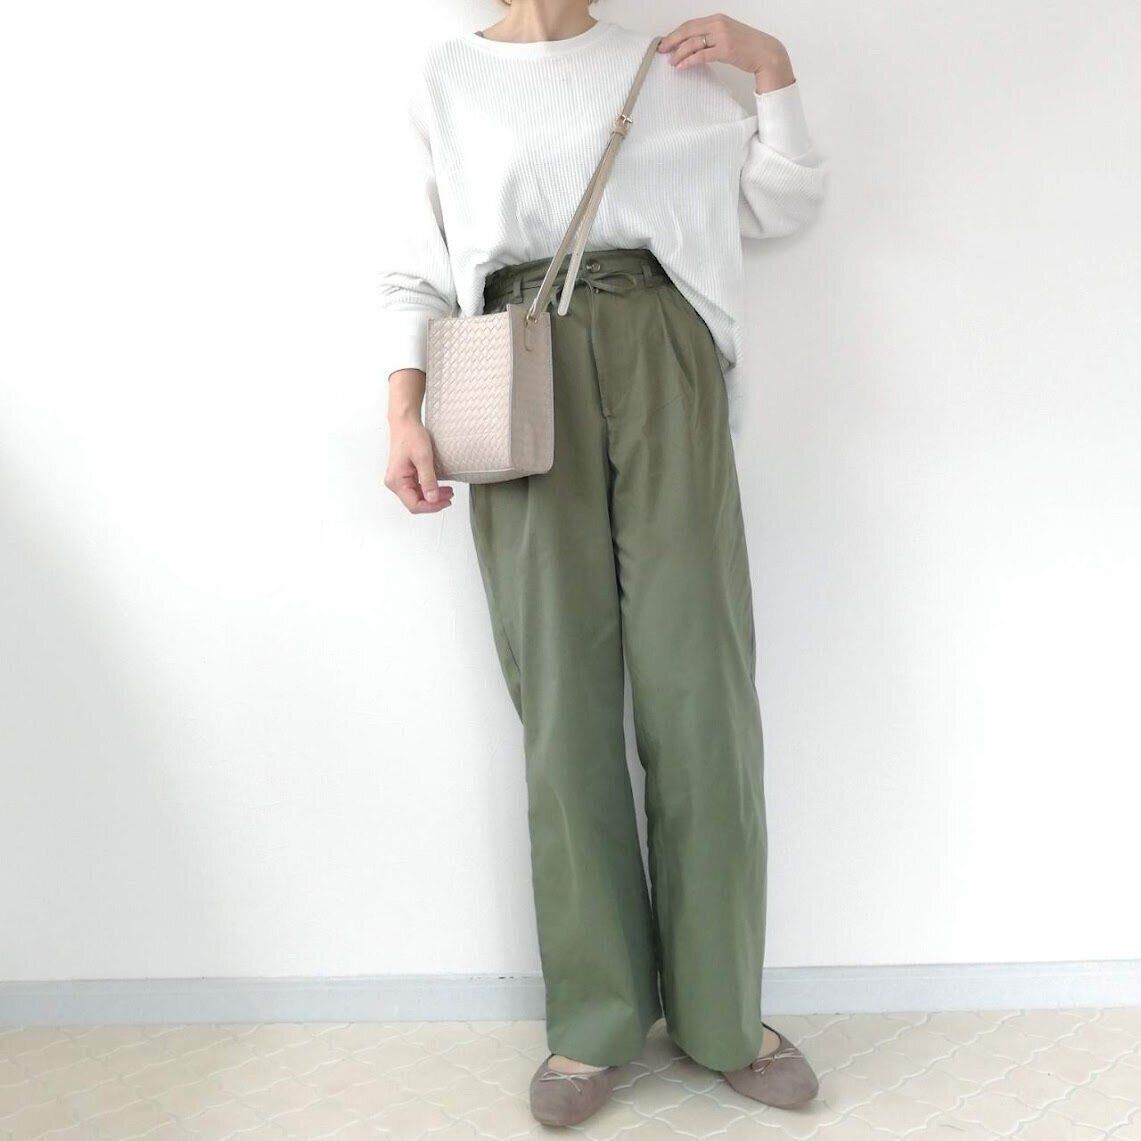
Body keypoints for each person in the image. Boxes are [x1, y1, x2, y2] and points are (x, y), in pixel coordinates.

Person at [379, 0, 827, 1127]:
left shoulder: (669, 65)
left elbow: (781, 201)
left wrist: (771, 65)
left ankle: (724, 1013)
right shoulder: (443, 79)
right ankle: (593, 1020)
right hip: (507, 365)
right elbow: (413, 265)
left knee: (700, 689)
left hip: (665, 349)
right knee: (560, 697)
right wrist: (402, 411)